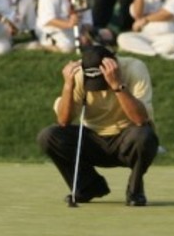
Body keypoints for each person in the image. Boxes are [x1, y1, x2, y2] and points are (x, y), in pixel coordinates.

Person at [37, 43, 159, 207]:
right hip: (92, 140)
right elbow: (63, 121)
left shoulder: (134, 68)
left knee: (144, 135)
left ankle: (135, 190)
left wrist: (117, 85)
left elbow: (140, 120)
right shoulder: (79, 75)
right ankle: (88, 187)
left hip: (126, 141)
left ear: (114, 63)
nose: (99, 88)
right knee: (49, 136)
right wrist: (68, 84)